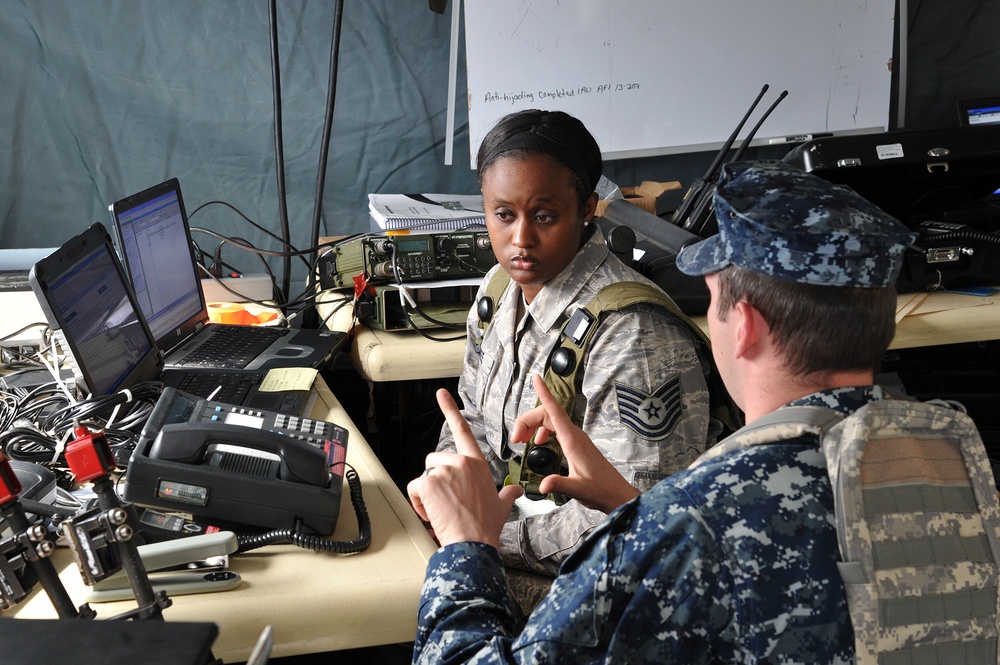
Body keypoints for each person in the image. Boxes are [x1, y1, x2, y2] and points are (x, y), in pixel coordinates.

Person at [408, 160, 919, 663]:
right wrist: (633, 508)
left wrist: (467, 546)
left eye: (711, 301)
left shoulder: (688, 526)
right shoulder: (957, 462)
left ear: (743, 327)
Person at [435, 109, 726, 613]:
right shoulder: (498, 291)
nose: (520, 239)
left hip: (598, 585)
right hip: (503, 538)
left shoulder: (632, 333)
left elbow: (634, 514)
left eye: (543, 216)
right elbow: (472, 420)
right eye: (504, 215)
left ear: (587, 207)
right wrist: (447, 483)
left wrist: (483, 536)